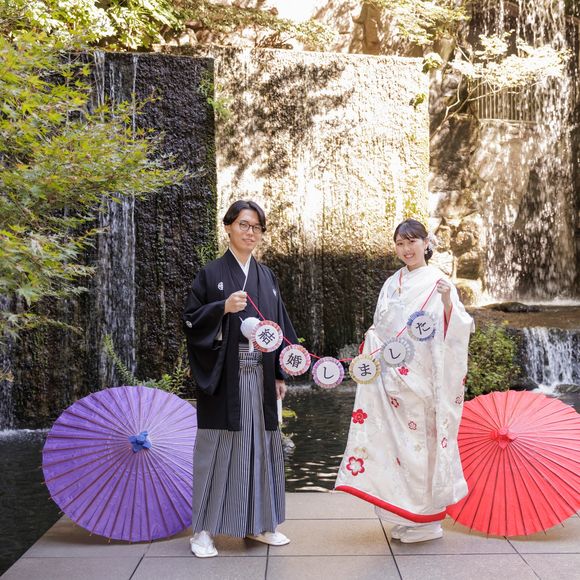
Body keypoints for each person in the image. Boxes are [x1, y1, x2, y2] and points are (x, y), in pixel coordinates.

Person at [335, 218, 474, 543]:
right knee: (397, 447)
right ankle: (406, 515)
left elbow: (458, 326)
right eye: (400, 243)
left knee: (420, 447)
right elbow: (381, 324)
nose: (406, 249)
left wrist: (447, 302)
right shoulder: (392, 282)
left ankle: (427, 520)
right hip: (391, 377)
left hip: (422, 377)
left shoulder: (439, 281)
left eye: (412, 242)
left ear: (426, 243)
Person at [183, 200, 298, 557]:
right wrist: (222, 308)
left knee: (260, 447)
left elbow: (278, 326)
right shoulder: (211, 274)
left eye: (256, 227)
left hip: (260, 375)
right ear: (228, 227)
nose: (250, 232)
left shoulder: (267, 276)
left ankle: (260, 523)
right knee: (217, 448)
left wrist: (279, 372)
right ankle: (202, 531)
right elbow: (190, 320)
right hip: (225, 375)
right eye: (244, 225)